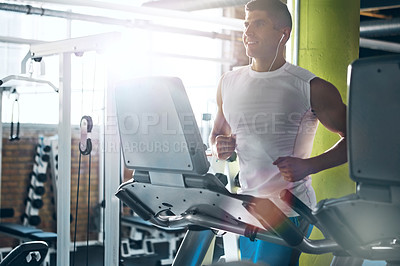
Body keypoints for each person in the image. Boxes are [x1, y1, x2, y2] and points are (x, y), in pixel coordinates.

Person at [209, 0, 347, 265]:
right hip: (247, 208)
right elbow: (216, 135)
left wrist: (310, 165)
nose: (248, 32)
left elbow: (357, 141)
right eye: (246, 24)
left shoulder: (310, 87)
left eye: (258, 24)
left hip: (289, 209)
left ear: (283, 33)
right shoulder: (228, 82)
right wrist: (220, 146)